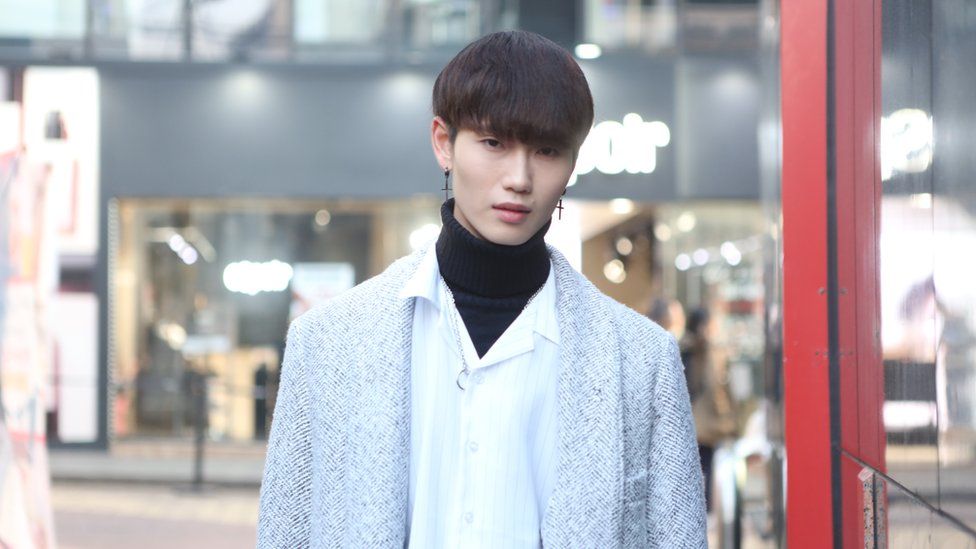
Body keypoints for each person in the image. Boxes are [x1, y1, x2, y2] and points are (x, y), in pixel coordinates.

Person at [257, 30, 705, 548]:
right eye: (493, 143)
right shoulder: (329, 343)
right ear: (444, 143)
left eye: (547, 150)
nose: (519, 177)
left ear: (572, 164)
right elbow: (285, 534)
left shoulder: (641, 360)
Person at [680, 307, 737, 513]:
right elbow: (717, 388)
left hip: (695, 422)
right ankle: (706, 511)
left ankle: (700, 510)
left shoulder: (684, 350)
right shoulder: (706, 353)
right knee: (707, 469)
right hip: (704, 422)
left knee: (699, 469)